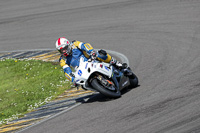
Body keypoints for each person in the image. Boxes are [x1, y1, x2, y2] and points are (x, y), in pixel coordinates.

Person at [55, 37, 125, 85]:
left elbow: (85, 45)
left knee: (100, 54)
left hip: (90, 60)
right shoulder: (62, 59)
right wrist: (73, 79)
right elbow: (66, 71)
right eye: (61, 50)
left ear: (68, 45)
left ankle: (115, 62)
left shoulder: (74, 44)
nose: (64, 51)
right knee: (81, 84)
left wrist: (91, 52)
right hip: (82, 71)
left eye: (65, 48)